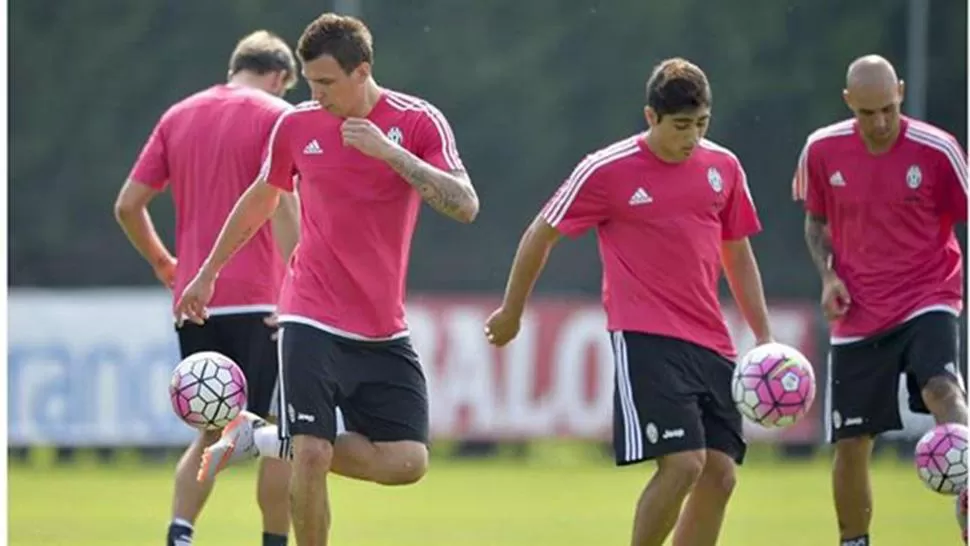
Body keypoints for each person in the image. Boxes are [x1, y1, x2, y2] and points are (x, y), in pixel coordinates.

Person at [174, 12, 479, 546]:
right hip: (308, 312)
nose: (316, 94)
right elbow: (262, 198)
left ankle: (261, 439)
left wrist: (389, 153)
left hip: (383, 326)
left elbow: (464, 205)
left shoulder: (417, 121)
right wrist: (207, 272)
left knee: (408, 462)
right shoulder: (296, 125)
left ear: (362, 71)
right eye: (310, 82)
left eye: (327, 83)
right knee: (310, 453)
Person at [484, 57, 772, 546]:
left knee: (720, 475)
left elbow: (737, 251)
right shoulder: (606, 170)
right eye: (681, 126)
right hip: (646, 337)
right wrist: (513, 310)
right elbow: (540, 234)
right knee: (683, 464)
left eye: (702, 124)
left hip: (713, 342)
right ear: (651, 117)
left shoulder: (723, 167)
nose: (693, 138)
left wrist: (764, 337)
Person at [113, 30, 300, 546]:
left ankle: (181, 533)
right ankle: (273, 541)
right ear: (281, 77)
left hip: (195, 302)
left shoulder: (178, 116)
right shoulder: (276, 115)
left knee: (212, 431)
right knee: (280, 433)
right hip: (265, 300)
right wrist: (296, 293)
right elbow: (284, 203)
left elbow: (128, 205)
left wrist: (163, 263)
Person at [792, 54, 968, 546]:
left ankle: (969, 497)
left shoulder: (937, 150)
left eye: (888, 109)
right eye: (868, 113)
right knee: (851, 439)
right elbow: (815, 221)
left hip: (928, 294)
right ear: (850, 103)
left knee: (941, 389)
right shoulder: (821, 150)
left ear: (902, 93)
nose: (880, 122)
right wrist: (828, 278)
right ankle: (855, 541)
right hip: (858, 311)